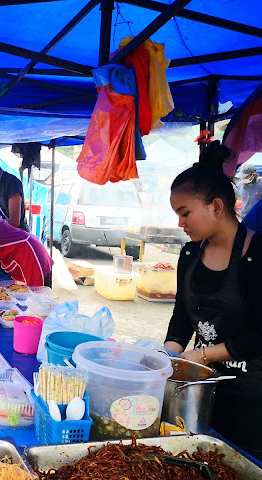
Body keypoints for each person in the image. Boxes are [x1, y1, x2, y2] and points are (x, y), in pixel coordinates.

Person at [163, 141, 262, 461]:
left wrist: (203, 354)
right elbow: (182, 313)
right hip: (201, 392)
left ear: (216, 206)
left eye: (185, 213)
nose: (180, 223)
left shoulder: (256, 254)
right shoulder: (190, 253)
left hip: (252, 401)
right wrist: (167, 355)